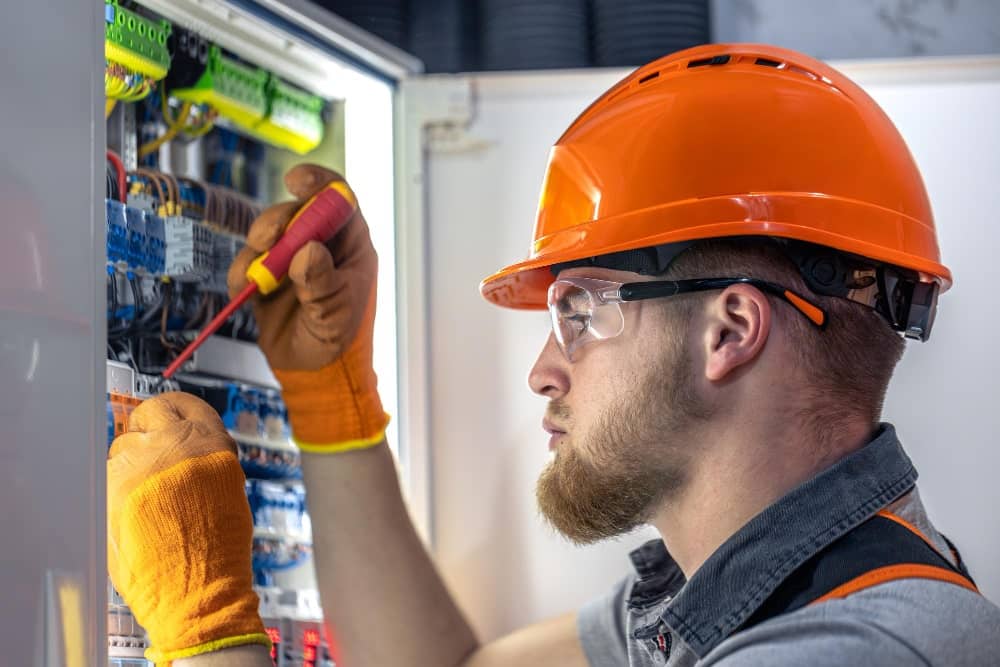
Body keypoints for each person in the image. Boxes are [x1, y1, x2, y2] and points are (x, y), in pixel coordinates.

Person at [107, 44, 1000, 667]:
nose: (543, 367)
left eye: (579, 310)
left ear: (729, 331)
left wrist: (210, 630)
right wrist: (332, 401)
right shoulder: (754, 597)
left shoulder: (853, 649)